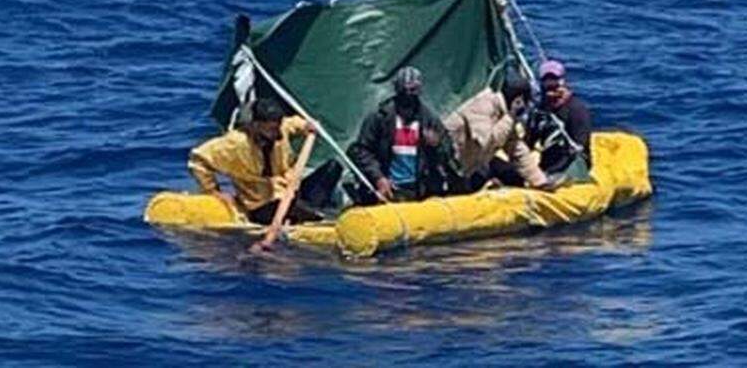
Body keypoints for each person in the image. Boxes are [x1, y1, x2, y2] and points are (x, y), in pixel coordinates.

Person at [188, 96, 341, 225]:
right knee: (315, 215)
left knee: (333, 167)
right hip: (262, 203)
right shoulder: (235, 143)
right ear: (255, 125)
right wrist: (213, 191)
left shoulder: (281, 128)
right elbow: (198, 158)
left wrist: (306, 126)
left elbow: (292, 123)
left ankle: (312, 210)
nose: (275, 133)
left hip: (290, 190)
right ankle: (316, 215)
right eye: (270, 129)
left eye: (277, 127)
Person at [346, 66, 463, 204]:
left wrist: (437, 145)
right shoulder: (380, 118)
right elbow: (359, 151)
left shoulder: (429, 120)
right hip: (388, 189)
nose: (408, 98)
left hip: (419, 191)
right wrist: (378, 178)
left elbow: (448, 153)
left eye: (412, 92)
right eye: (404, 92)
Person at [442, 72, 549, 190]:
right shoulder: (482, 106)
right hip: (444, 166)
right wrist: (511, 116)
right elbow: (487, 142)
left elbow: (517, 150)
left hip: (464, 169)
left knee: (512, 175)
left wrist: (540, 182)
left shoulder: (503, 115)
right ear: (519, 100)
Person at [527, 59, 593, 175]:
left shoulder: (576, 110)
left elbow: (577, 148)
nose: (551, 84)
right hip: (547, 165)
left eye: (555, 80)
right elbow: (530, 140)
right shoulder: (540, 110)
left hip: (572, 166)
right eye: (547, 81)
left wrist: (551, 173)